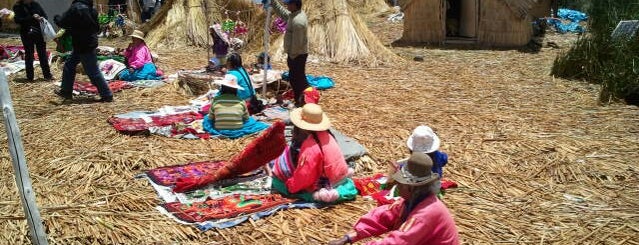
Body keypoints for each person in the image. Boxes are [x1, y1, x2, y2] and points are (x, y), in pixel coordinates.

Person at [328, 152, 460, 245]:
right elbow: (383, 216)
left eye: (400, 184)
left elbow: (398, 242)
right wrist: (348, 238)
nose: (397, 187)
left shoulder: (424, 214)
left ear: (412, 188)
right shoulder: (411, 201)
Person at [271, 104, 357, 204]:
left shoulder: (310, 148)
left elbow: (304, 176)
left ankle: (324, 195)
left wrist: (290, 186)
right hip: (339, 176)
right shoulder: (327, 134)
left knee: (277, 182)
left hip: (327, 184)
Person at [55, 0, 113, 102]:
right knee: (69, 65)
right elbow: (96, 27)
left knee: (92, 71)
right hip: (87, 42)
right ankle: (66, 91)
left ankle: (107, 94)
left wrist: (56, 18)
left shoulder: (76, 7)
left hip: (83, 44)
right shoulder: (90, 8)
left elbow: (63, 22)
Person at [272, 0, 309, 107]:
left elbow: (298, 43)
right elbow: (283, 13)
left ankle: (303, 100)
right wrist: (274, 3)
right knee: (295, 78)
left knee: (297, 79)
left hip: (297, 55)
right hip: (295, 54)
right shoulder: (294, 15)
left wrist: (292, 57)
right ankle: (300, 99)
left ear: (295, 5)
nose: (287, 5)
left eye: (289, 4)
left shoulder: (298, 22)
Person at [12, 0, 52, 81]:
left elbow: (45, 16)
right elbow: (18, 20)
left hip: (39, 33)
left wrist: (41, 18)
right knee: (29, 55)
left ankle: (47, 75)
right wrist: (31, 18)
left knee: (42, 54)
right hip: (26, 33)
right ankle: (30, 77)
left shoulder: (35, 4)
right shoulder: (18, 6)